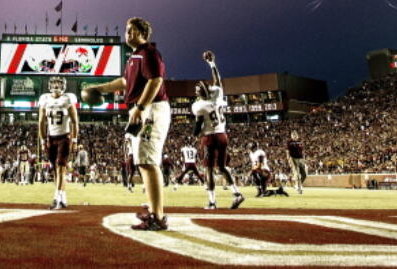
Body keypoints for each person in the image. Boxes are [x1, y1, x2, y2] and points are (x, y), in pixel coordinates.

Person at [84, 16, 171, 231]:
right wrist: (100, 88)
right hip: (143, 108)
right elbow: (124, 82)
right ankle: (153, 209)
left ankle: (157, 216)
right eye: (126, 30)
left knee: (148, 162)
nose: (127, 33)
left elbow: (155, 80)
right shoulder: (135, 56)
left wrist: (141, 108)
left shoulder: (149, 53)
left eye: (131, 30)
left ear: (142, 33)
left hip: (151, 108)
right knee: (143, 161)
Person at [191, 51, 244, 210]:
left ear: (200, 93)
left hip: (210, 137)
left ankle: (212, 202)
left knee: (208, 169)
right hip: (223, 135)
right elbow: (218, 80)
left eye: (196, 91)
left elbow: (198, 125)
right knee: (221, 167)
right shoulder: (217, 96)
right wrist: (212, 63)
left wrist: (195, 135)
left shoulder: (199, 106)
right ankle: (236, 193)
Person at [37, 76, 79, 209]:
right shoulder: (45, 99)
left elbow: (74, 121)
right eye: (54, 83)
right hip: (51, 137)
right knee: (56, 170)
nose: (56, 85)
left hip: (64, 137)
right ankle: (63, 198)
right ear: (50, 85)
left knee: (61, 167)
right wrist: (43, 140)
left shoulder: (68, 98)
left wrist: (74, 139)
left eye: (58, 83)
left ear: (63, 85)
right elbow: (41, 122)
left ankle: (56, 197)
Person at [286, 130, 308, 194]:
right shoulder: (289, 142)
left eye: (296, 135)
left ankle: (298, 185)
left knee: (304, 174)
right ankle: (299, 188)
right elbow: (287, 151)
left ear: (297, 135)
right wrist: (289, 160)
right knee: (297, 173)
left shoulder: (300, 141)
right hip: (293, 158)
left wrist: (304, 159)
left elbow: (302, 151)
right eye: (293, 135)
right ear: (291, 136)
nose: (295, 136)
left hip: (300, 159)